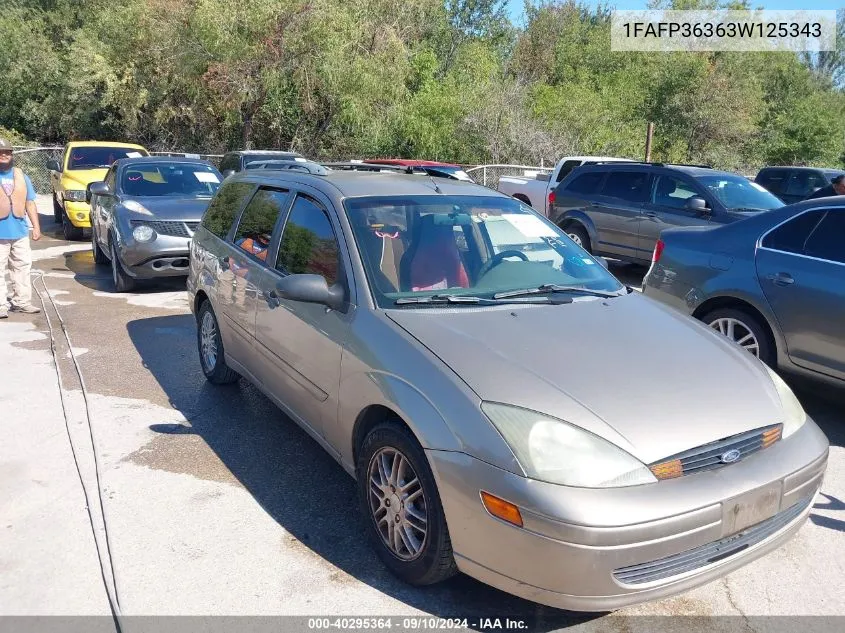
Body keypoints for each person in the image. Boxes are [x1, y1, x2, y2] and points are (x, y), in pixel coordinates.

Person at [0, 138, 42, 318]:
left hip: (20, 232)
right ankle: (1, 306)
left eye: (7, 152)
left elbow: (29, 203)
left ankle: (21, 302)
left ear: (12, 155)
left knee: (22, 268)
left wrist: (36, 227)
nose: (4, 155)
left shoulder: (22, 177)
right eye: (1, 153)